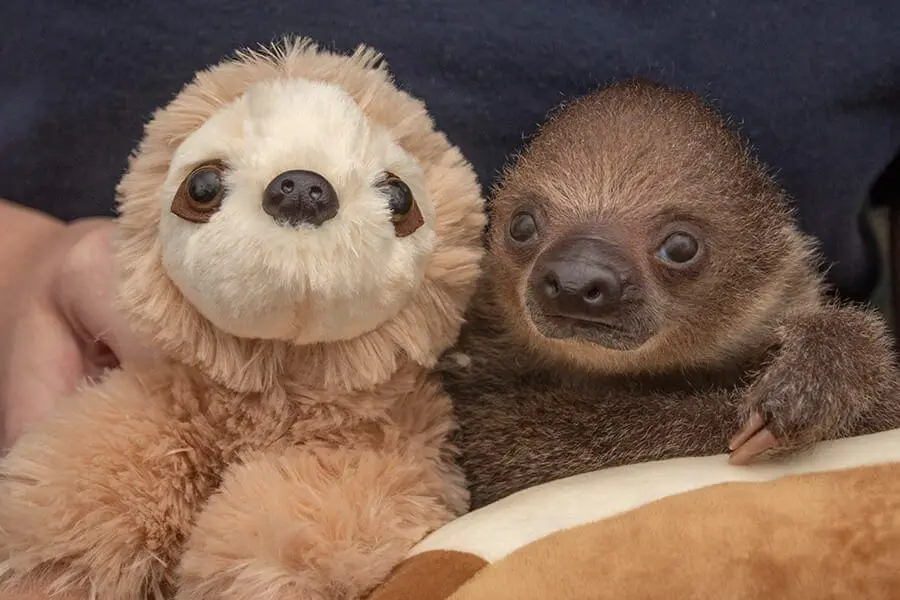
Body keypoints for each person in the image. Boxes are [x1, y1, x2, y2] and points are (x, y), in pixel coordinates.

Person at [3, 0, 900, 450]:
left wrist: (844, 368)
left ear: (770, 263)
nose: (578, 278)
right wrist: (24, 261)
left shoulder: (799, 332)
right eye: (527, 234)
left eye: (677, 253)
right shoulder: (442, 383)